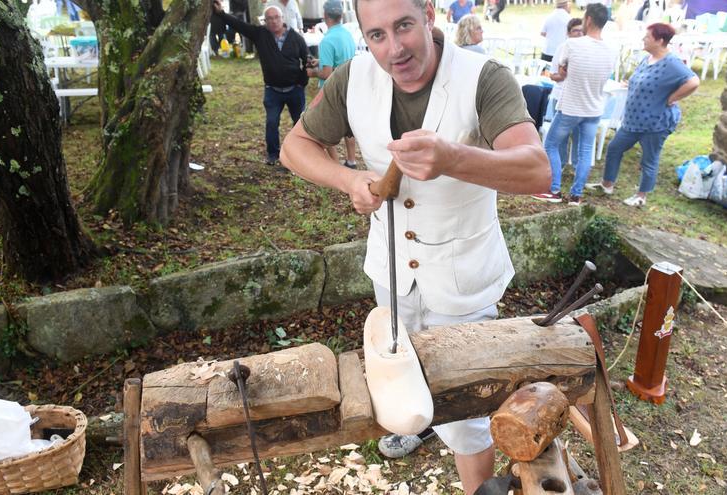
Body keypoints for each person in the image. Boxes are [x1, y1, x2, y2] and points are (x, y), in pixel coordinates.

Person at [279, 0, 549, 491]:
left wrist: (453, 157)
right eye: (377, 34)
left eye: (404, 26)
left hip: (462, 278)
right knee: (404, 366)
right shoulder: (352, 77)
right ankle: (420, 421)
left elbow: (535, 169)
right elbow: (294, 147)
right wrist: (347, 179)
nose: (394, 48)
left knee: (467, 415)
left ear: (428, 14)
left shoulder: (484, 77)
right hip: (393, 271)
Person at [586, 22, 700, 206]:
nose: (643, 39)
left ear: (660, 40)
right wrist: (630, 85)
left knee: (649, 159)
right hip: (633, 120)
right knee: (614, 148)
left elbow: (693, 82)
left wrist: (672, 97)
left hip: (654, 123)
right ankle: (607, 184)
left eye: (647, 37)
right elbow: (642, 80)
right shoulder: (647, 59)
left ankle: (641, 196)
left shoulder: (671, 63)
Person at [533, 3, 616, 206]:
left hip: (571, 106)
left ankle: (554, 189)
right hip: (594, 107)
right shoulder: (611, 51)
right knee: (585, 152)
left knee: (551, 144)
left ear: (588, 19)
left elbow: (561, 73)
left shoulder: (573, 45)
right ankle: (576, 195)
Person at [214, 1, 310, 167]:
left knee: (299, 124)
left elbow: (306, 60)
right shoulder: (260, 34)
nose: (273, 21)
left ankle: (302, 155)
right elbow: (239, 25)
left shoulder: (296, 38)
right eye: (269, 19)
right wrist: (221, 13)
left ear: (282, 18)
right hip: (272, 90)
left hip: (295, 89)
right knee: (271, 123)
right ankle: (273, 154)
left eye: (276, 18)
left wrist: (302, 82)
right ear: (265, 21)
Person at [307, 0, 359, 169]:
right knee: (348, 127)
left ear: (325, 16)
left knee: (325, 127)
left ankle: (335, 165)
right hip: (349, 87)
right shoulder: (347, 34)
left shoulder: (327, 41)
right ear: (341, 15)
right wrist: (321, 61)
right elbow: (342, 60)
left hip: (331, 92)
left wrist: (313, 73)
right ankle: (351, 161)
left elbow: (327, 73)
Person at [542, 18, 583, 170]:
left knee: (578, 135)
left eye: (581, 30)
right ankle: (561, 165)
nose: (579, 34)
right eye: (575, 31)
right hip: (560, 96)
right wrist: (564, 75)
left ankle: (577, 166)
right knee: (561, 137)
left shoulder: (587, 51)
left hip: (579, 99)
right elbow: (553, 75)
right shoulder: (562, 48)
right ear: (568, 33)